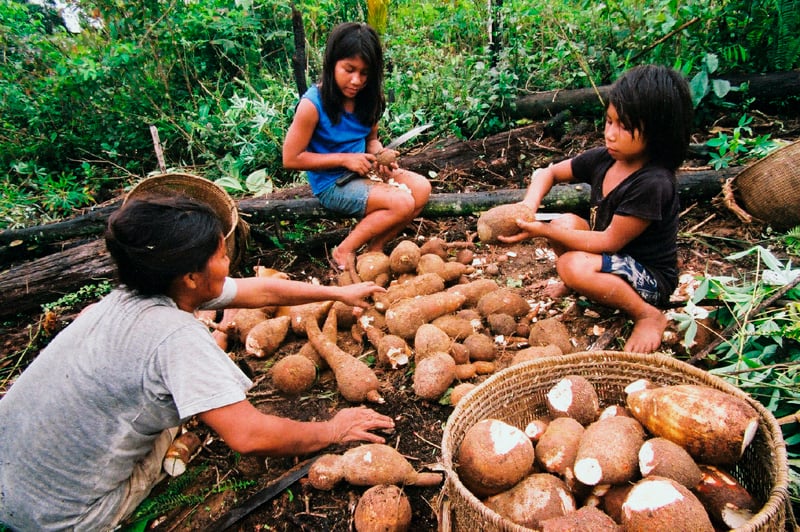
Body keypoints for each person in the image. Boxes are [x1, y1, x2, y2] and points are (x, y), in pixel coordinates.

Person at [0, 194, 394, 531]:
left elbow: (256, 290)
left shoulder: (136, 290)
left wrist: (338, 293)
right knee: (172, 417)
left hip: (9, 472)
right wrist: (333, 430)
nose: (228, 263)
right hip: (62, 518)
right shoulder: (176, 337)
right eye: (221, 256)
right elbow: (249, 437)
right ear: (190, 277)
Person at [499, 64, 693, 354]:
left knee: (571, 264)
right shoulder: (605, 159)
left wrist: (541, 230)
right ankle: (584, 284)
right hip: (610, 258)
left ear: (659, 131)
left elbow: (608, 241)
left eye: (624, 127)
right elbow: (548, 173)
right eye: (609, 121)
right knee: (565, 222)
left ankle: (646, 315)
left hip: (649, 279)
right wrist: (529, 205)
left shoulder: (653, 182)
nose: (610, 134)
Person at [283, 22, 431, 270]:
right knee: (402, 202)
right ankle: (344, 251)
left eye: (364, 73)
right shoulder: (312, 105)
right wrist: (344, 159)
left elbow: (371, 140)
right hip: (332, 184)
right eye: (349, 70)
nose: (356, 80)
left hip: (364, 172)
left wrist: (380, 155)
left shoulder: (369, 98)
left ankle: (375, 248)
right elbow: (291, 158)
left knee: (422, 188)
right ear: (332, 64)